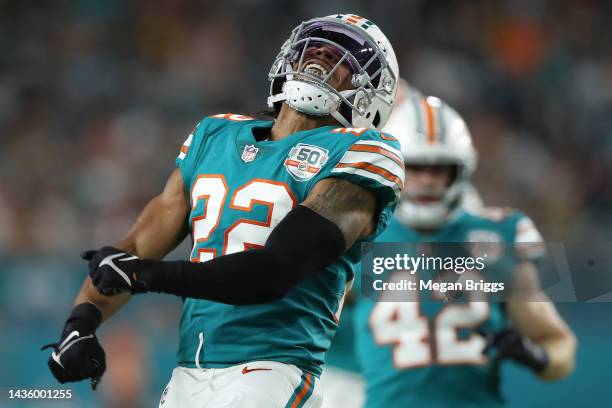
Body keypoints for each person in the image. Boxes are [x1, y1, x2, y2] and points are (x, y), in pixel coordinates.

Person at [42, 13, 403, 407]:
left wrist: (145, 275)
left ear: (371, 95)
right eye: (313, 46)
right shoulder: (214, 134)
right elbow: (131, 251)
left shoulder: (362, 152)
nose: (320, 56)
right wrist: (81, 323)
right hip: (188, 370)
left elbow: (275, 269)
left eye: (343, 58)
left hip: (272, 367)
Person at [353, 83, 577, 407]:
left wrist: (536, 356)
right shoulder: (362, 233)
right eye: (416, 167)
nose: (428, 179)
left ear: (461, 171)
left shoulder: (498, 234)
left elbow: (559, 345)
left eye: (440, 168)